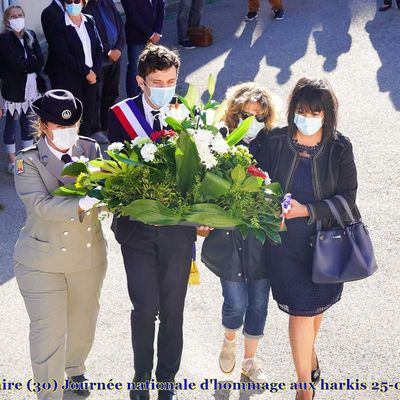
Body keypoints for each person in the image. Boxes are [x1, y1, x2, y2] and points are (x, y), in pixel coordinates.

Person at [250, 77, 358, 400]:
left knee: (315, 309)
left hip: (326, 245)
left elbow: (347, 200)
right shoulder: (274, 141)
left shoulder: (340, 147)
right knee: (301, 311)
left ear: (327, 114)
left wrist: (306, 211)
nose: (307, 117)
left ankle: (307, 357)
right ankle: (304, 389)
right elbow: (252, 178)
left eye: (314, 112)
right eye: (301, 110)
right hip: (284, 245)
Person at [108, 45, 196, 400]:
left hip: (177, 232)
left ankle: (167, 379)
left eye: (171, 81)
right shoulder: (121, 115)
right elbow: (114, 171)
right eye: (157, 81)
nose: (165, 87)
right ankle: (141, 374)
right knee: (145, 308)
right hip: (137, 230)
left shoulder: (188, 113)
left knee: (173, 310)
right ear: (141, 81)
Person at [13, 89, 108, 400]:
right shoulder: (27, 162)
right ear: (43, 126)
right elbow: (41, 206)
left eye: (72, 125)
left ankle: (75, 365)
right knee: (48, 332)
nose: (66, 132)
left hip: (87, 258)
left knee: (83, 322)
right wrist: (83, 202)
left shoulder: (91, 150)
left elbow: (107, 194)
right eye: (58, 126)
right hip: (42, 261)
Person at [201, 82, 277, 382]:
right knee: (235, 301)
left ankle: (250, 359)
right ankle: (230, 342)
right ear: (234, 112)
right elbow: (202, 182)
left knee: (259, 302)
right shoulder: (218, 141)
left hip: (261, 238)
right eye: (246, 115)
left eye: (259, 117)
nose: (252, 122)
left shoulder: (272, 141)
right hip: (228, 238)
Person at [42, 0, 106, 143]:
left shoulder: (89, 20)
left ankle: (86, 147)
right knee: (72, 117)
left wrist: (94, 71)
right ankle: (71, 150)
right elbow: (63, 54)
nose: (72, 4)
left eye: (76, 1)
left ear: (83, 3)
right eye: (68, 1)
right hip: (71, 78)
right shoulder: (59, 24)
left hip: (92, 78)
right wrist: (86, 72)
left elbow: (99, 47)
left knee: (88, 114)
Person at [0, 5, 46, 174]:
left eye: (20, 15)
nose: (17, 18)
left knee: (28, 126)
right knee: (11, 126)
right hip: (13, 90)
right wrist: (30, 63)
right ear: (7, 21)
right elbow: (15, 64)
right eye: (13, 16)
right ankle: (13, 162)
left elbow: (40, 60)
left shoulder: (30, 35)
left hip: (31, 89)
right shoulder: (4, 40)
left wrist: (30, 63)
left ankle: (26, 161)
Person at [83, 0, 125, 139]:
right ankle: (96, 130)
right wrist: (108, 51)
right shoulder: (85, 6)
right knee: (96, 96)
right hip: (99, 61)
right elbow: (91, 34)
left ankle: (108, 126)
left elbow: (119, 25)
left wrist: (118, 48)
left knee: (112, 93)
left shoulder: (107, 2)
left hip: (115, 59)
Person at [121, 0, 165, 98]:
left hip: (153, 37)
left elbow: (160, 8)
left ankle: (146, 97)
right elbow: (132, 15)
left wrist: (157, 32)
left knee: (150, 68)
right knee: (134, 69)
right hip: (136, 37)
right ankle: (133, 100)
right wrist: (151, 34)